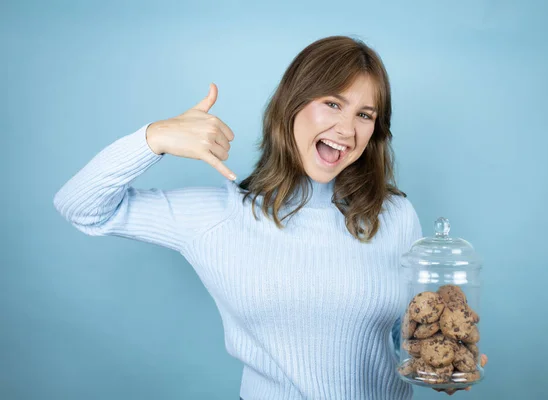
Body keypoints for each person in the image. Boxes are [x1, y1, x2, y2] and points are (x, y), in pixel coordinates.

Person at [54, 35, 487, 399]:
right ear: (292, 104)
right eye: (332, 104)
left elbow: (395, 329)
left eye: (364, 115)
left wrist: (435, 358)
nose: (347, 129)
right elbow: (80, 206)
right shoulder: (219, 215)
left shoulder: (394, 216)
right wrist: (155, 137)